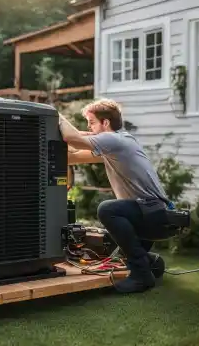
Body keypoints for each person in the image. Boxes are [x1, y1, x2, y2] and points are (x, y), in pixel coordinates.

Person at [59, 98, 173, 294]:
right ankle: (146, 263)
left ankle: (142, 276)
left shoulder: (116, 139)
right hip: (149, 212)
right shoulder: (116, 144)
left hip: (152, 213)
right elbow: (73, 156)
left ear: (106, 123)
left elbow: (73, 138)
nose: (89, 127)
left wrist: (54, 115)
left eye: (92, 122)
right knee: (116, 244)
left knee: (107, 209)